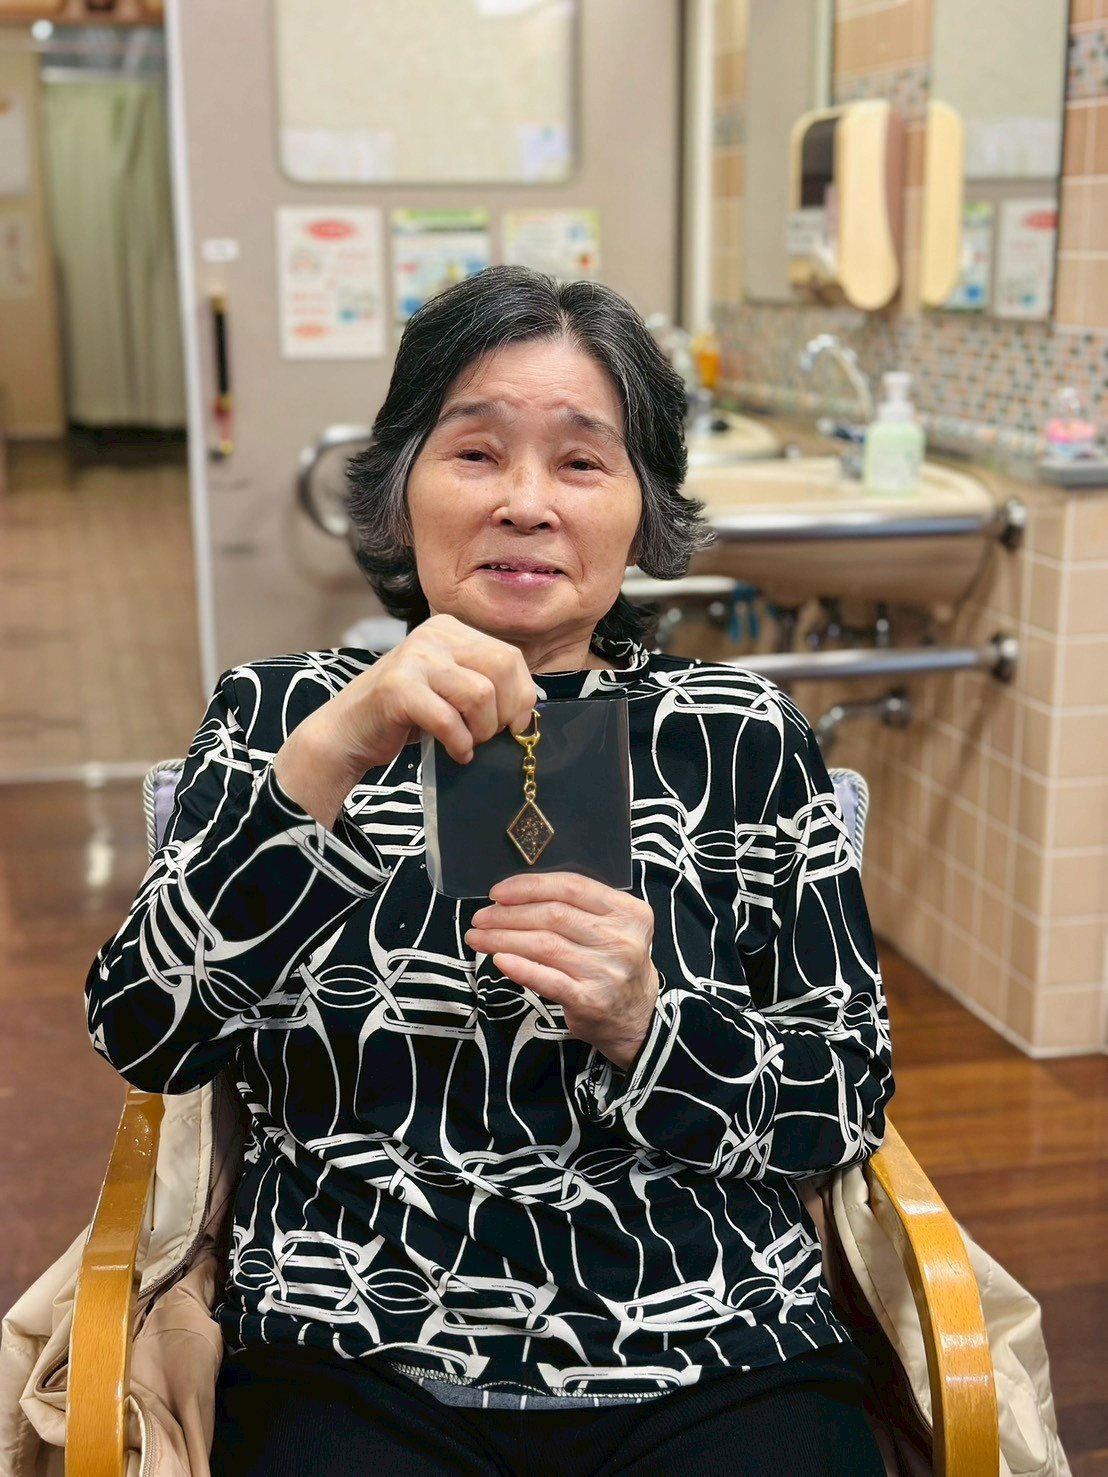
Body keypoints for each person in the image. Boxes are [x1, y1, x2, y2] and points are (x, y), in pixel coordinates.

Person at [86, 266, 892, 1476]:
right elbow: (144, 1032)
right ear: (399, 484)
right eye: (475, 452)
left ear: (643, 507)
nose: (526, 502)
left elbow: (843, 1097)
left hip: (712, 1336)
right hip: (350, 1345)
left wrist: (650, 1023)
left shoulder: (739, 733)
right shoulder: (282, 716)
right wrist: (331, 757)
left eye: (581, 461)